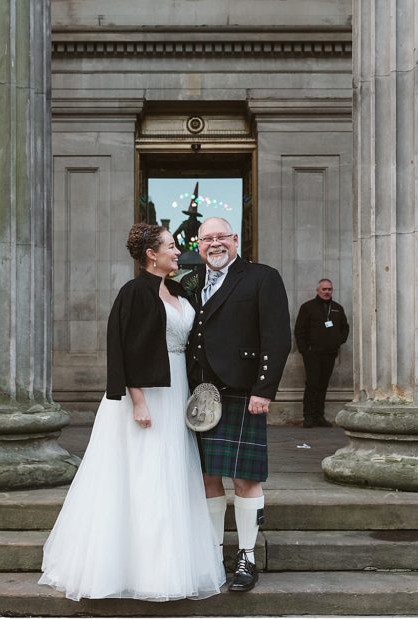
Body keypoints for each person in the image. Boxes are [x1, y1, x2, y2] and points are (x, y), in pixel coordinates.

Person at [39, 223, 225, 601]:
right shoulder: (134, 292)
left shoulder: (175, 289)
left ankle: (168, 562)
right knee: (144, 472)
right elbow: (124, 348)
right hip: (147, 395)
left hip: (176, 389)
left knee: (171, 470)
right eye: (171, 246)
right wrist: (137, 400)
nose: (178, 251)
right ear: (150, 255)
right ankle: (138, 568)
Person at [181, 217, 291, 593]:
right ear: (198, 245)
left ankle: (246, 555)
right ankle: (213, 552)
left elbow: (277, 337)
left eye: (221, 237)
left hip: (242, 391)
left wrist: (265, 389)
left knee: (245, 479)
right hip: (198, 394)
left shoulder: (262, 277)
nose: (215, 243)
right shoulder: (190, 283)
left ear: (235, 240)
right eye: (207, 238)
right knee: (208, 477)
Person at [294, 279, 350, 428]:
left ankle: (320, 416)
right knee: (312, 384)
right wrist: (304, 350)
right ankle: (309, 416)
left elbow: (345, 328)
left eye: (329, 289)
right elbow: (300, 330)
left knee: (323, 385)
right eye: (324, 289)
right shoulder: (308, 307)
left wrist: (338, 341)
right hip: (312, 354)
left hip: (330, 353)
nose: (327, 292)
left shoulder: (337, 308)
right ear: (318, 290)